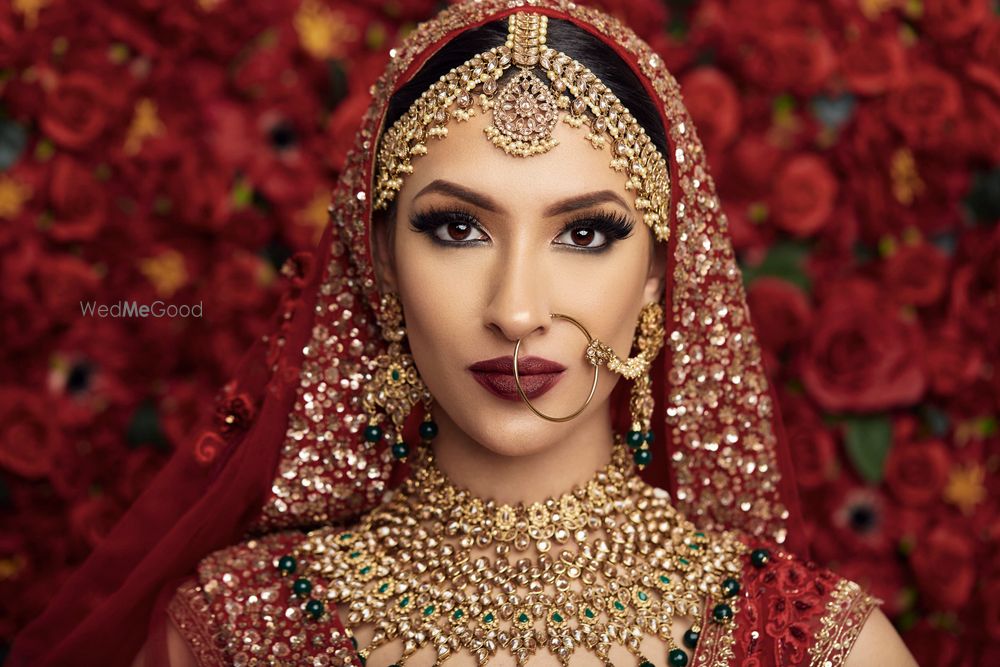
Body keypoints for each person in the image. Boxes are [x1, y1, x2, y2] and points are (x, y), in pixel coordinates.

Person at [9, 1, 919, 665]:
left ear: (656, 272)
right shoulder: (241, 630)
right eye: (457, 228)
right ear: (379, 262)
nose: (517, 309)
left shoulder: (811, 644)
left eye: (587, 232)